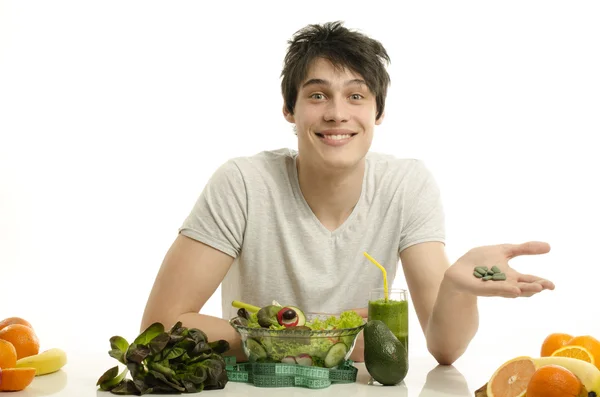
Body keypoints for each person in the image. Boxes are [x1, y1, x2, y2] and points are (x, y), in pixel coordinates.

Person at [140, 21, 554, 365]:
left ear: (377, 111)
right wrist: (317, 339)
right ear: (290, 109)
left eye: (355, 96)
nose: (337, 113)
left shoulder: (406, 185)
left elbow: (445, 348)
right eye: (317, 95)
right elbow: (159, 326)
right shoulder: (244, 183)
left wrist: (457, 287)